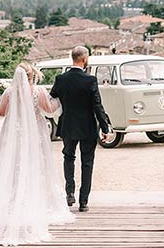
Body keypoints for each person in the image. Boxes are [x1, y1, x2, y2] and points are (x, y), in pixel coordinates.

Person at [0, 63, 75, 246]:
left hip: (13, 133)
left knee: (13, 165)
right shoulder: (38, 91)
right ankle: (34, 200)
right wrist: (60, 98)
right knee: (35, 165)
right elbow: (49, 109)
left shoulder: (9, 92)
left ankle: (11, 201)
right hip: (34, 133)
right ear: (32, 76)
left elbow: (1, 112)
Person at [50, 46, 113, 212]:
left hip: (68, 125)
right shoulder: (90, 80)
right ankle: (83, 201)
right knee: (87, 162)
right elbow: (97, 106)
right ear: (84, 59)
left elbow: (52, 99)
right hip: (87, 127)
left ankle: (69, 192)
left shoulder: (60, 79)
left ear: (73, 58)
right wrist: (105, 128)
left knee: (68, 157)